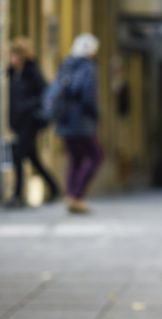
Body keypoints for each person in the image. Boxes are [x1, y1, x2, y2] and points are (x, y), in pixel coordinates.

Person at [6, 37, 59, 208]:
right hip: (18, 122)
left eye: (15, 55)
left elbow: (45, 93)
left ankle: (17, 196)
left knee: (18, 155)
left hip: (30, 121)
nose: (12, 59)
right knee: (33, 159)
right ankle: (54, 187)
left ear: (22, 56)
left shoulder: (32, 72)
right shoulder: (12, 73)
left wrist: (27, 106)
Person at [55, 33, 103, 214]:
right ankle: (77, 195)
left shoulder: (66, 64)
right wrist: (96, 115)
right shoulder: (88, 67)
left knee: (75, 159)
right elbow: (88, 96)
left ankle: (70, 195)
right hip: (81, 122)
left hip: (65, 121)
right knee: (96, 156)